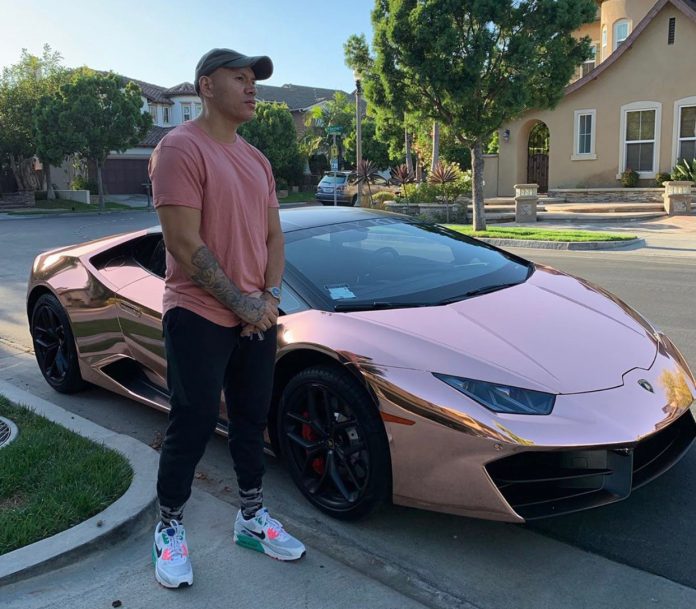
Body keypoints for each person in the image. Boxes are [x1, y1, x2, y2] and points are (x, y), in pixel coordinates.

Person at [148, 47, 305, 589]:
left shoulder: (257, 160)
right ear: (206, 86)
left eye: (253, 79)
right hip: (197, 312)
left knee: (250, 419)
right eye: (239, 78)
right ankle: (169, 525)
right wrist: (245, 306)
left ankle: (251, 518)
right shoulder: (179, 148)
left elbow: (274, 237)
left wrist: (270, 298)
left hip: (257, 313)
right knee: (192, 422)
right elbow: (183, 242)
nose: (251, 87)